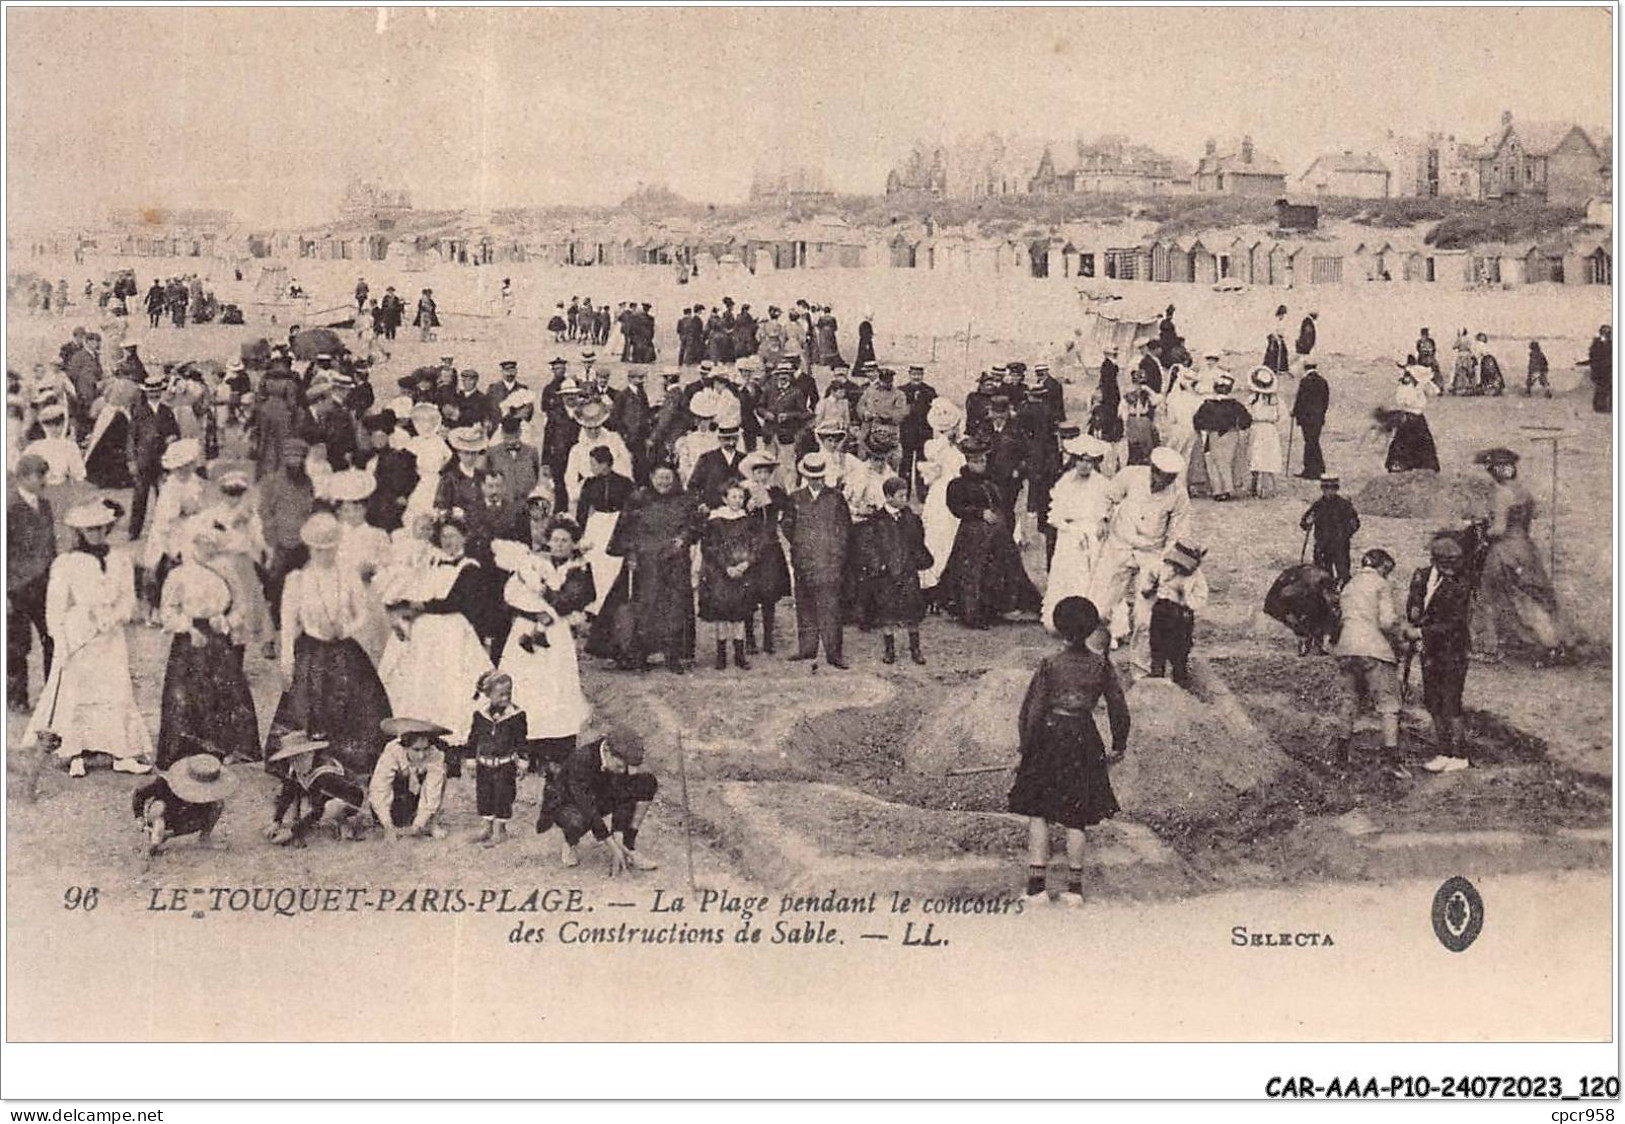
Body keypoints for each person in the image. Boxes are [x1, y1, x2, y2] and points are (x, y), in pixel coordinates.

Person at [1009, 596, 1127, 907]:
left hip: (1049, 738)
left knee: (1039, 812)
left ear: (1060, 630)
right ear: (1090, 630)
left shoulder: (1050, 664)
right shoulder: (1101, 665)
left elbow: (1032, 710)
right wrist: (1119, 744)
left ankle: (1036, 889)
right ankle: (1075, 890)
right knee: (1077, 816)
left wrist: (1024, 748)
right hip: (1084, 738)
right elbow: (1118, 707)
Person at [25, 498, 153, 777]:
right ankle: (75, 754)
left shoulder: (119, 559)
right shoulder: (66, 563)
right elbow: (55, 607)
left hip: (111, 635)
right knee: (79, 693)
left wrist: (115, 616)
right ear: (80, 532)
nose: (95, 533)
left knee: (115, 690)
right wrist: (62, 640)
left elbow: (128, 599)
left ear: (107, 527)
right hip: (79, 634)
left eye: (100, 527)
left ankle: (121, 752)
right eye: (89, 529)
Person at [265, 513, 393, 776]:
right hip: (311, 651)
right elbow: (288, 623)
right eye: (319, 549)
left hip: (344, 650)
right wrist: (287, 660)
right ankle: (306, 763)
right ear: (310, 548)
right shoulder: (298, 580)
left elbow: (362, 613)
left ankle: (345, 760)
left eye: (330, 548)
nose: (325, 554)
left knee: (354, 702)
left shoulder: (347, 576)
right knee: (307, 705)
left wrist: (344, 628)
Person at [376, 513, 494, 756]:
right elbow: (412, 588)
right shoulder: (432, 563)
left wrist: (423, 606)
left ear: (464, 537)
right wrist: (407, 610)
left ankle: (451, 738)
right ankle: (419, 733)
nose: (448, 541)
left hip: (451, 630)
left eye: (453, 536)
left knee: (451, 683)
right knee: (420, 681)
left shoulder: (469, 567)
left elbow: (460, 602)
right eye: (444, 537)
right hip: (425, 631)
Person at [154, 528, 260, 768]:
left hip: (218, 640)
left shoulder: (225, 571)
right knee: (186, 693)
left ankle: (227, 747)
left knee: (226, 690)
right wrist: (188, 627)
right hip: (189, 641)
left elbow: (241, 605)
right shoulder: (179, 575)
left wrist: (226, 621)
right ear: (192, 544)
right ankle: (186, 749)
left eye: (212, 545)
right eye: (202, 544)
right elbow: (167, 611)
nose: (207, 549)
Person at [495, 514, 595, 768]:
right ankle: (524, 744)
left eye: (565, 540)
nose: (559, 544)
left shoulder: (579, 568)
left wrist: (545, 593)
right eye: (555, 540)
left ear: (574, 543)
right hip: (527, 625)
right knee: (525, 682)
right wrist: (533, 609)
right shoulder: (533, 563)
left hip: (556, 632)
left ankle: (557, 747)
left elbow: (571, 599)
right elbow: (512, 594)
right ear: (548, 541)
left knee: (555, 686)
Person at [1090, 447, 1193, 663]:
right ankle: (1094, 660)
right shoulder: (1130, 475)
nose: (1160, 483)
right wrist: (1103, 518)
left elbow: (1177, 534)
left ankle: (1142, 671)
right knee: (1099, 607)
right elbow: (1107, 497)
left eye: (1167, 479)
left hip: (1151, 553)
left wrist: (1162, 569)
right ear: (1151, 470)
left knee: (1145, 618)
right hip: (1119, 546)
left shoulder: (1179, 494)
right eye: (1157, 477)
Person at [1471, 447, 1567, 663]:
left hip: (1504, 550)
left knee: (1490, 597)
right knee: (1532, 594)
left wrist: (1480, 528)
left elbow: (1498, 529)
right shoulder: (1524, 491)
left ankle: (1490, 648)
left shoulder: (1501, 493)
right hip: (1526, 547)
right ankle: (1552, 643)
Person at [601, 463, 699, 672]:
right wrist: (631, 554)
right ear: (651, 478)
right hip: (647, 564)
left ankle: (673, 656)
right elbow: (625, 529)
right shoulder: (639, 499)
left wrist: (683, 539)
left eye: (668, 478)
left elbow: (694, 525)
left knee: (674, 608)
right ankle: (640, 655)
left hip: (675, 562)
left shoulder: (684, 499)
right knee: (646, 608)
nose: (664, 482)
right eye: (659, 478)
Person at [937, 434, 1042, 630]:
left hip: (997, 534)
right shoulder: (958, 485)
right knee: (974, 572)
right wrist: (979, 513)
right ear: (968, 462)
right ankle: (974, 612)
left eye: (983, 460)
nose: (981, 464)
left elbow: (1003, 502)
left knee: (1006, 566)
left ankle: (1004, 606)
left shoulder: (991, 482)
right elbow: (956, 507)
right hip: (973, 535)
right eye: (976, 462)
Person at [536, 725, 659, 872]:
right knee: (577, 821)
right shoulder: (581, 759)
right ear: (606, 751)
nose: (622, 771)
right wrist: (611, 844)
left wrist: (619, 835)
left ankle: (628, 845)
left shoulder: (618, 757)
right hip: (567, 802)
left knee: (646, 782)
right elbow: (587, 806)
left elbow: (624, 796)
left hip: (599, 794)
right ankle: (570, 842)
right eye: (619, 766)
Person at [1330, 548, 1405, 776]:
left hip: (1346, 648)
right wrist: (1402, 635)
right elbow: (1387, 622)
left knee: (1349, 701)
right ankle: (1391, 760)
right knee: (1389, 704)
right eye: (1387, 570)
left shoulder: (1349, 586)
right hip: (1373, 648)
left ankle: (1341, 757)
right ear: (1383, 567)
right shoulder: (1381, 585)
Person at [1404, 534, 1475, 775]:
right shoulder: (1421, 576)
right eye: (1445, 560)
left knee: (1451, 702)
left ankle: (1460, 754)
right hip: (1430, 650)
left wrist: (1421, 632)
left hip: (1452, 649)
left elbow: (1455, 623)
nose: (1451, 565)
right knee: (1433, 701)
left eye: (1454, 560)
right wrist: (1414, 620)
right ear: (1434, 558)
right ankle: (1444, 751)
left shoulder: (1461, 584)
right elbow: (1414, 604)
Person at [783, 453, 852, 666]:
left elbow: (845, 529)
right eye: (812, 477)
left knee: (830, 607)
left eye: (819, 477)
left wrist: (836, 554)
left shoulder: (835, 498)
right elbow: (787, 526)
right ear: (805, 476)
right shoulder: (795, 498)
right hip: (804, 561)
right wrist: (800, 547)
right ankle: (807, 648)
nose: (816, 481)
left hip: (829, 563)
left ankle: (834, 653)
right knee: (805, 605)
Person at [1041, 435, 1112, 634]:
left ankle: (1095, 623)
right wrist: (1072, 530)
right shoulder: (1065, 483)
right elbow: (1054, 516)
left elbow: (1106, 508)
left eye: (1089, 461)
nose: (1084, 465)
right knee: (1072, 577)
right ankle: (1068, 622)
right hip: (1070, 536)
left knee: (1095, 579)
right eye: (1081, 460)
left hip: (1093, 537)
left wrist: (1103, 520)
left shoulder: (1102, 484)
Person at [858, 476, 932, 665]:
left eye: (905, 495)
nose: (904, 499)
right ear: (888, 497)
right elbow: (868, 546)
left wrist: (917, 561)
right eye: (900, 496)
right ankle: (889, 650)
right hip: (886, 575)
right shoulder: (876, 520)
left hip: (907, 571)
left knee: (912, 612)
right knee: (887, 613)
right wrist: (879, 565)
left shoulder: (911, 518)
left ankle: (915, 649)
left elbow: (918, 542)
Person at [699, 479, 765, 670]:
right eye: (733, 496)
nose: (737, 500)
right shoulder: (715, 521)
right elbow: (710, 548)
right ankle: (721, 656)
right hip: (721, 573)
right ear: (724, 499)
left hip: (742, 572)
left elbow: (756, 545)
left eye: (741, 497)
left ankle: (739, 655)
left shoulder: (748, 520)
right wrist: (726, 566)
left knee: (739, 614)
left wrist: (746, 563)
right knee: (722, 614)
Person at [8, 454, 55, 712]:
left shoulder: (45, 505)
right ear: (23, 478)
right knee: (17, 645)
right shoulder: (9, 508)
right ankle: (17, 698)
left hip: (45, 585)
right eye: (39, 475)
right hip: (16, 588)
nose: (44, 480)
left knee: (53, 639)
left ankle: (52, 696)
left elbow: (50, 546)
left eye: (44, 474)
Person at [465, 670, 527, 846]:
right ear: (488, 694)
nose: (505, 698)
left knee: (503, 796)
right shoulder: (480, 715)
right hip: (484, 764)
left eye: (508, 693)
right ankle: (486, 827)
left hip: (504, 765)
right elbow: (473, 738)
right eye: (500, 694)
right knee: (484, 795)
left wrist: (523, 760)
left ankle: (500, 831)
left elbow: (522, 740)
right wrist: (470, 758)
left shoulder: (516, 715)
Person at [133, 754, 236, 856]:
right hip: (167, 815)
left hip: (189, 816)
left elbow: (205, 811)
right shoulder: (165, 783)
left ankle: (204, 838)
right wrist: (139, 817)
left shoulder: (208, 792)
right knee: (158, 807)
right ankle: (154, 842)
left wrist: (174, 832)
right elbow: (139, 793)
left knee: (217, 804)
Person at [368, 717, 450, 840]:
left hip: (417, 798)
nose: (421, 755)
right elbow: (380, 788)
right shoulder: (392, 751)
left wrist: (418, 825)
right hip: (396, 798)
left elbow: (433, 791)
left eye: (425, 749)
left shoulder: (436, 756)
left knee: (442, 775)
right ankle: (388, 823)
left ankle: (432, 823)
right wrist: (388, 825)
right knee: (380, 783)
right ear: (405, 746)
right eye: (416, 750)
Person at [1145, 541, 1208, 686]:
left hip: (1181, 614)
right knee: (1157, 645)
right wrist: (1150, 588)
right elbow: (1149, 579)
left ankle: (1180, 677)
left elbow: (1200, 599)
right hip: (1162, 610)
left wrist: (1185, 596)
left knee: (1180, 648)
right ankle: (1157, 676)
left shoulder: (1196, 577)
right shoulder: (1162, 567)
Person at [1192, 372, 1251, 501]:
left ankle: (1218, 490)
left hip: (1214, 434)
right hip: (1231, 434)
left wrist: (1203, 429)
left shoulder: (1208, 404)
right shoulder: (1236, 405)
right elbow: (1246, 421)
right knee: (1228, 462)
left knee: (1214, 462)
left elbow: (1197, 421)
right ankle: (1229, 489)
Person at [1299, 475, 1359, 586]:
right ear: (1322, 489)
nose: (1329, 492)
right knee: (1322, 576)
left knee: (1343, 574)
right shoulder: (1318, 505)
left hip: (1340, 546)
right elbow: (1304, 523)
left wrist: (1345, 534)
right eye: (1326, 488)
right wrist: (1308, 521)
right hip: (1322, 545)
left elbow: (1355, 523)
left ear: (1337, 489)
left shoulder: (1344, 505)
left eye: (1332, 488)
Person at [1385, 367, 1440, 473]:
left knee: (1423, 441)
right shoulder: (1405, 388)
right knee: (1403, 441)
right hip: (1408, 418)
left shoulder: (1420, 386)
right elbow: (1405, 402)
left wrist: (1424, 384)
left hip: (1418, 417)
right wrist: (1417, 390)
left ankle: (1425, 464)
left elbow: (1435, 391)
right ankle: (1399, 463)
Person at [1246, 367, 1283, 497]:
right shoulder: (1276, 400)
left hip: (1257, 428)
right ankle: (1268, 487)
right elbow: (1282, 416)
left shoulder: (1252, 399)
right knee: (1268, 457)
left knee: (1257, 456)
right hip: (1269, 429)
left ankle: (1256, 486)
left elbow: (1247, 414)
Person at [1292, 360, 1330, 480]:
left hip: (1307, 418)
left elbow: (1300, 399)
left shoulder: (1305, 381)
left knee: (1310, 442)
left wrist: (1295, 412)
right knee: (1313, 441)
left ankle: (1312, 470)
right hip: (1318, 418)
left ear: (1305, 367)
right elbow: (1326, 400)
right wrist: (1322, 413)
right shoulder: (1323, 381)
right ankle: (1318, 468)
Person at [1586, 325, 1611, 413]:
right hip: (1600, 371)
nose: (1606, 334)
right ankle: (1599, 407)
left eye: (1608, 332)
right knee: (1601, 389)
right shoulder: (1597, 343)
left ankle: (1610, 407)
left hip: (1609, 370)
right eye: (1605, 332)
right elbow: (1593, 356)